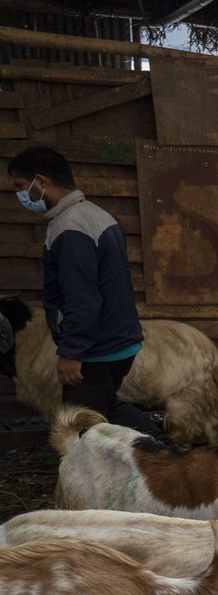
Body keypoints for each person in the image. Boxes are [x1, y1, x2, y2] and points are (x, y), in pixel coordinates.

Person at [6, 145, 161, 434]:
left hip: (96, 349)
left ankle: (161, 461)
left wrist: (72, 353)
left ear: (41, 182)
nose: (20, 196)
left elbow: (81, 296)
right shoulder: (94, 215)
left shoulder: (71, 228)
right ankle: (162, 453)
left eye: (20, 186)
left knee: (77, 427)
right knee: (103, 410)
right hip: (115, 341)